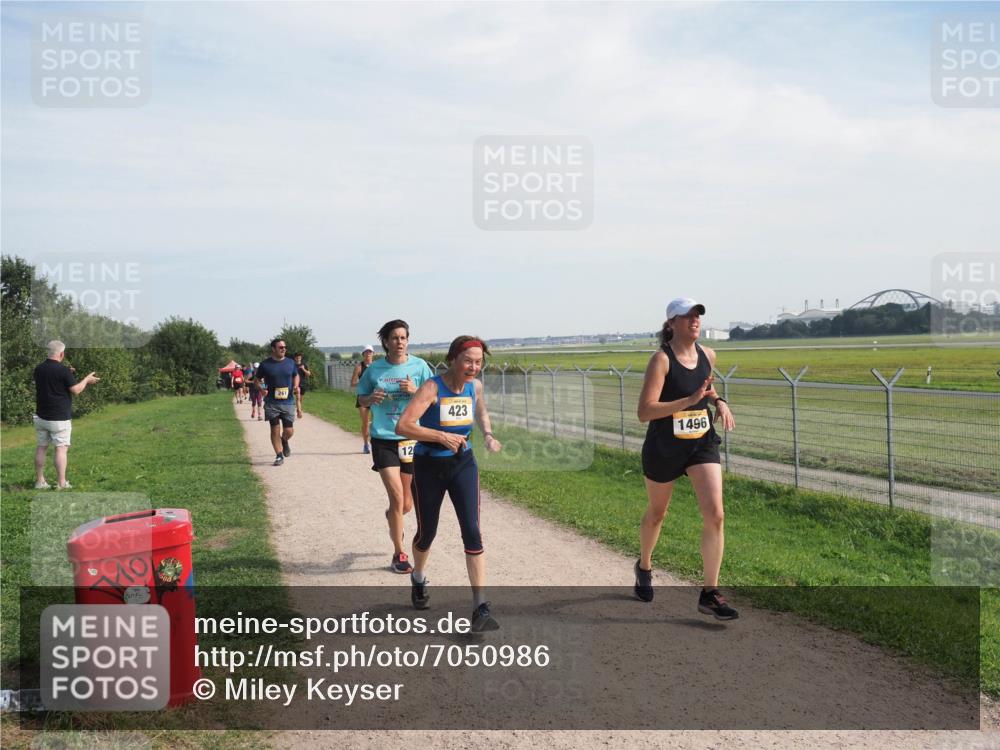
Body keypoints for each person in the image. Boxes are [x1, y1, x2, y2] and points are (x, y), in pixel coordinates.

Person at [634, 298, 738, 620]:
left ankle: (710, 593)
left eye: (698, 315)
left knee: (716, 514)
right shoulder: (661, 360)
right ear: (671, 324)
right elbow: (644, 412)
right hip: (664, 446)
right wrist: (688, 401)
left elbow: (705, 387)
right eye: (688, 316)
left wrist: (718, 400)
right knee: (657, 514)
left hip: (700, 443)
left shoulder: (708, 354)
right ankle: (644, 566)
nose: (695, 320)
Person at [396, 335, 503, 632]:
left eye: (478, 362)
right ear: (453, 359)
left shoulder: (475, 386)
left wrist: (489, 434)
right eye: (467, 360)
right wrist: (441, 436)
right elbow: (403, 425)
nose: (473, 367)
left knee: (472, 529)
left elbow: (480, 409)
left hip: (462, 464)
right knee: (427, 533)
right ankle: (418, 577)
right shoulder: (432, 387)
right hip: (429, 465)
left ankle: (480, 607)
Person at [356, 320, 433, 574]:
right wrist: (371, 398)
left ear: (407, 341)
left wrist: (416, 391)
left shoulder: (420, 367)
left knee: (406, 504)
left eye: (403, 337)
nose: (399, 342)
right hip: (384, 439)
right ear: (386, 342)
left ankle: (394, 517)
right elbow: (361, 399)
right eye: (394, 338)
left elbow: (435, 400)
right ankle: (399, 553)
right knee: (397, 497)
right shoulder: (375, 369)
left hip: (411, 439)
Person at [32, 340, 100, 490]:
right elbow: (76, 390)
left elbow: (52, 380)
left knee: (41, 447)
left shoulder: (39, 369)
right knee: (61, 449)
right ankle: (62, 483)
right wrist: (87, 380)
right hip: (59, 418)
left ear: (48, 352)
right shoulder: (62, 371)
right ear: (62, 354)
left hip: (41, 417)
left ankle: (40, 482)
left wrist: (68, 374)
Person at [253, 340, 301, 466]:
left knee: (289, 430)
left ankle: (284, 441)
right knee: (275, 429)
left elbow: (296, 375)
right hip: (271, 402)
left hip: (288, 401)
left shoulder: (290, 362)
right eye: (280, 347)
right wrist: (261, 389)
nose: (283, 349)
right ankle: (279, 455)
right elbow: (256, 380)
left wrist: (296, 385)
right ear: (273, 349)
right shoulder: (265, 364)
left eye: (285, 347)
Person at [351, 345, 375, 453]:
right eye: (366, 352)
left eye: (370, 352)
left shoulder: (376, 366)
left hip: (375, 397)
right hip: (363, 397)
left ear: (373, 354)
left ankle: (376, 442)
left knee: (377, 421)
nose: (368, 354)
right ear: (363, 354)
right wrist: (363, 382)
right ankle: (366, 444)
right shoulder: (359, 367)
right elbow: (352, 383)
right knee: (365, 422)